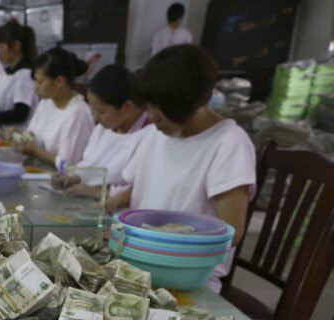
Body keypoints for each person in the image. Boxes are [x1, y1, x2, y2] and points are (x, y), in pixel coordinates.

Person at [109, 45, 256, 292]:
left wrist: (166, 243)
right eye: (149, 106)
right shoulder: (155, 135)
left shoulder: (229, 144)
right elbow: (144, 185)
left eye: (163, 107)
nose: (153, 116)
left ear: (195, 101)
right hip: (139, 264)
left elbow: (232, 232)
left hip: (188, 277)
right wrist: (113, 202)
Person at [52, 64, 154, 198]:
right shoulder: (104, 127)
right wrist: (74, 178)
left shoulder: (150, 135)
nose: (96, 118)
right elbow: (91, 164)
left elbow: (139, 188)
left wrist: (99, 193)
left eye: (101, 112)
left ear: (127, 107)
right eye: (94, 110)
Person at [19, 47, 94, 166]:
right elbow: (32, 135)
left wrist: (35, 152)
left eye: (40, 82)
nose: (35, 87)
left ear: (59, 81)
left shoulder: (78, 112)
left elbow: (67, 164)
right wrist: (19, 136)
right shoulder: (46, 101)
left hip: (57, 176)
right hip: (36, 169)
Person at [0, 23, 38, 127]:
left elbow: (20, 113)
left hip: (16, 132)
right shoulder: (8, 72)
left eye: (1, 46)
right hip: (2, 129)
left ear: (16, 45)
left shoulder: (25, 75)